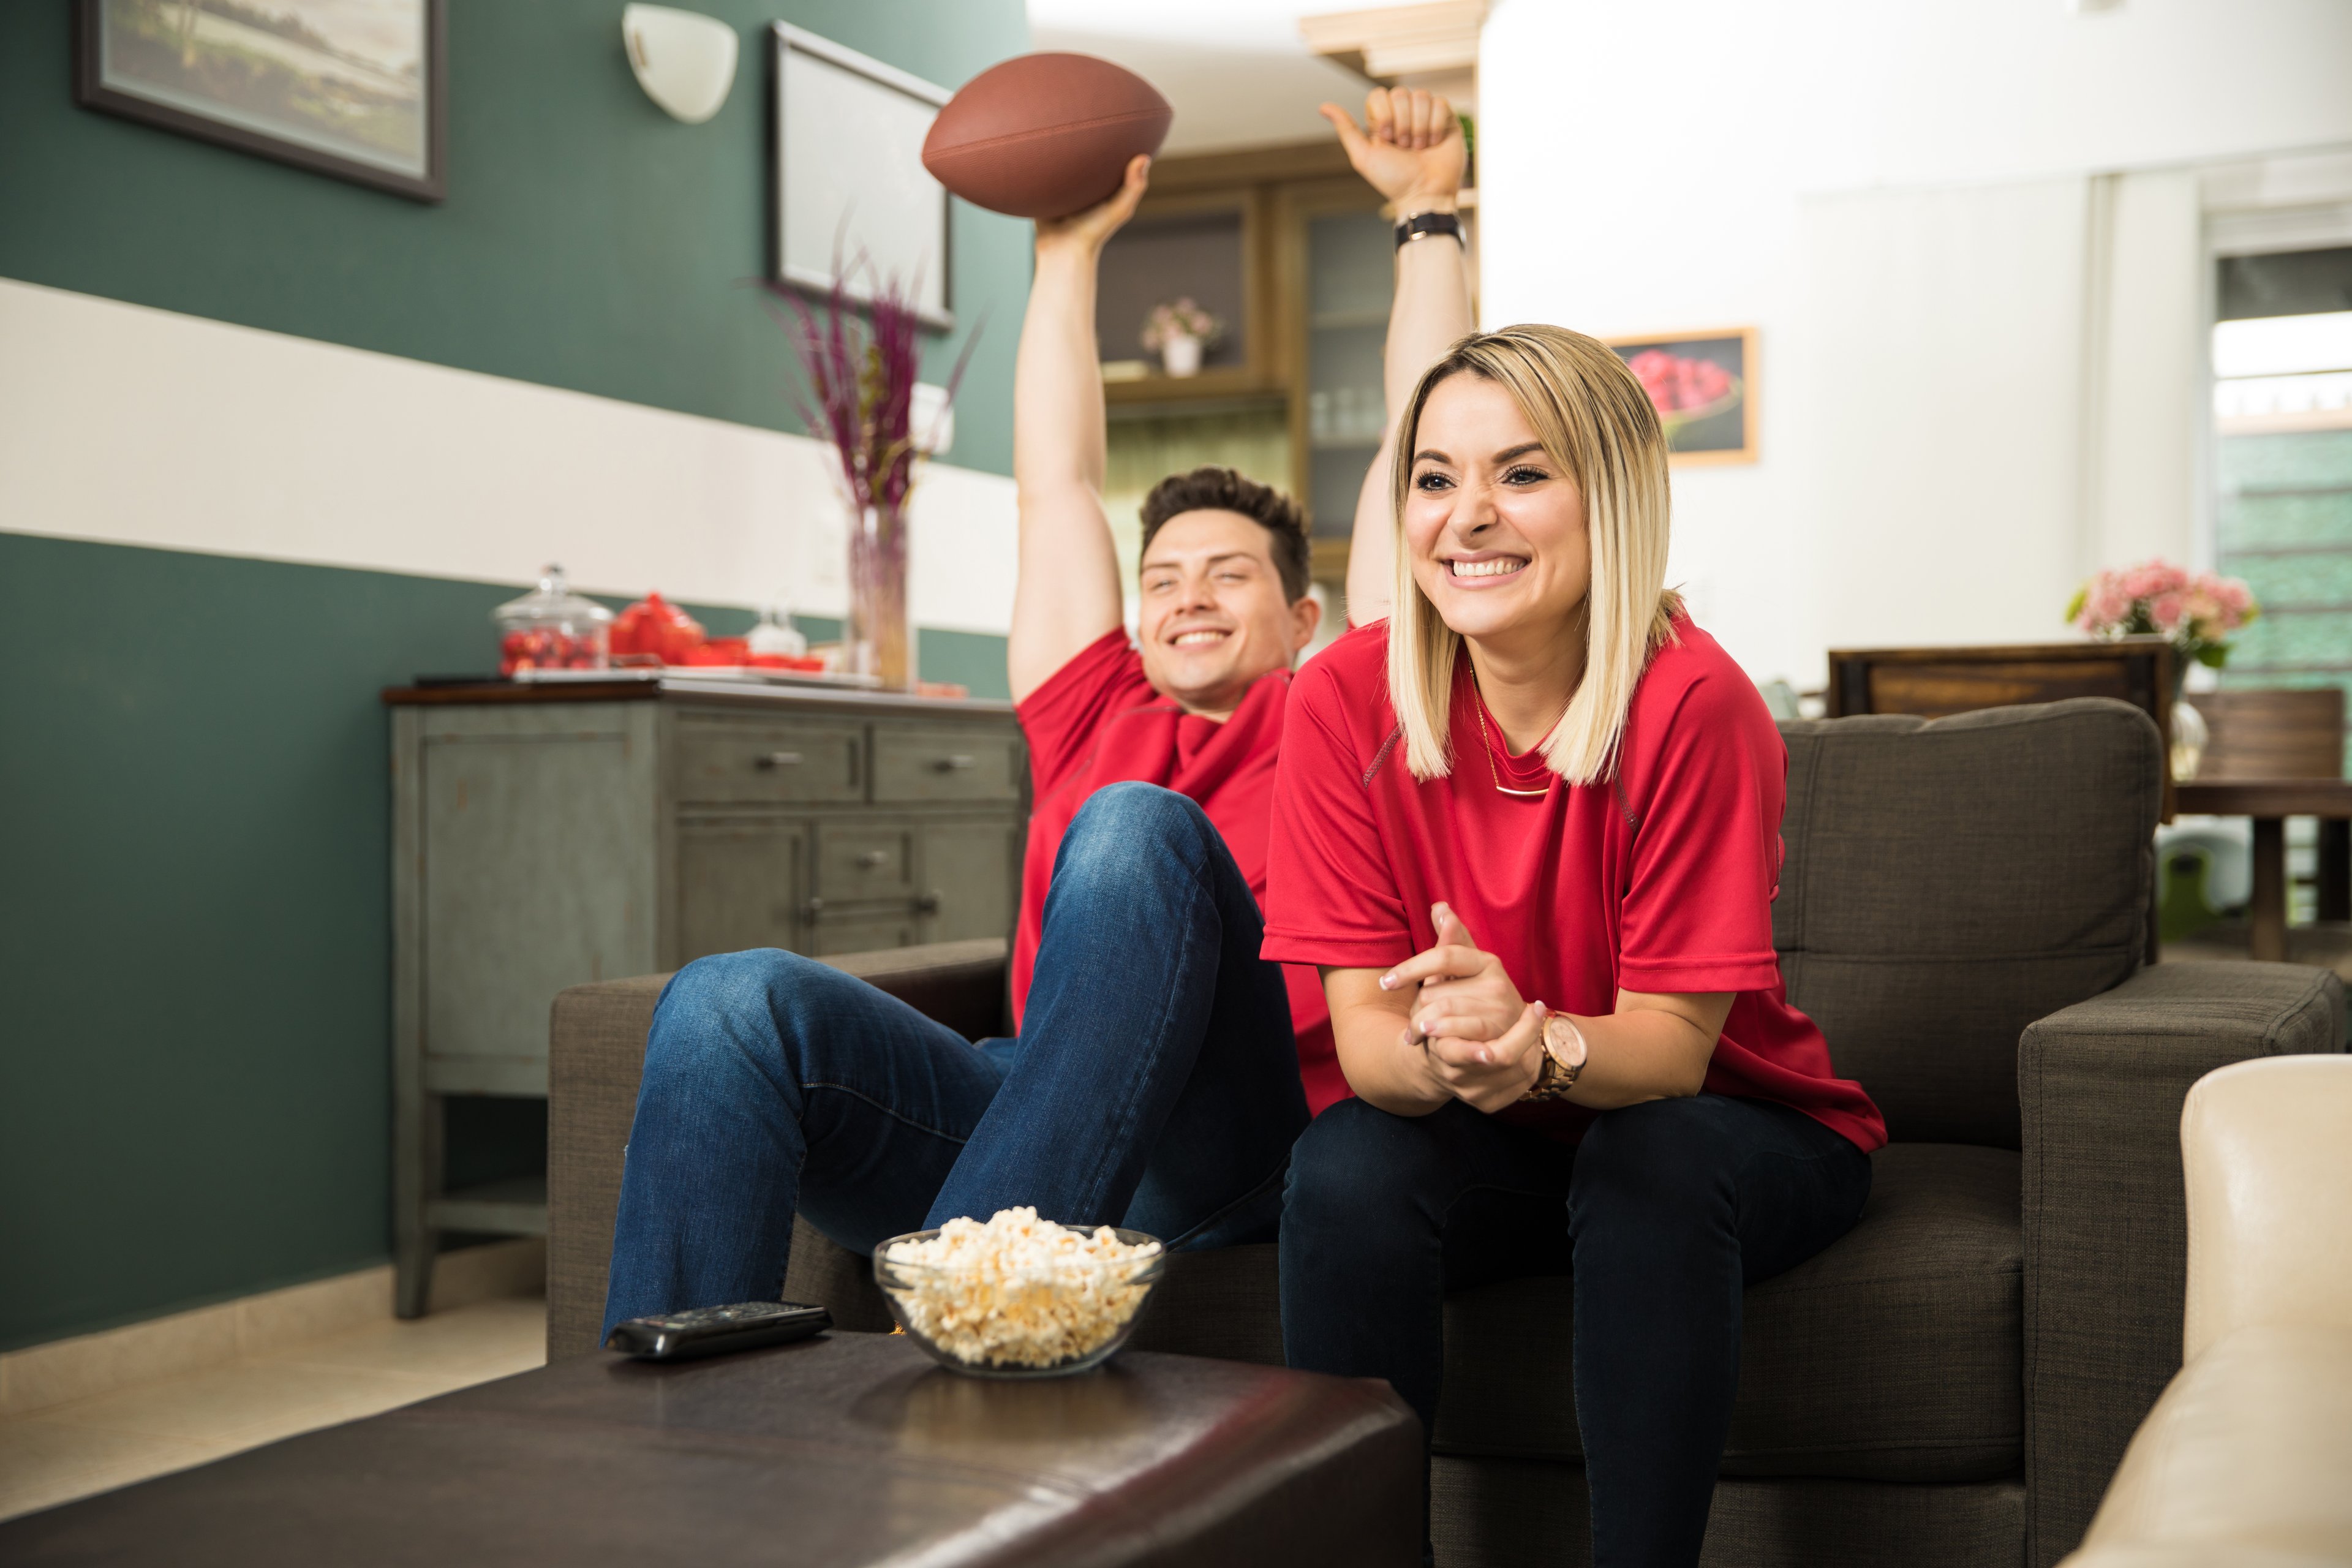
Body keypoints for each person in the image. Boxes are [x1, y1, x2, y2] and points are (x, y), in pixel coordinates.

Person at [599, 89, 1477, 1335]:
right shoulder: (1091, 706)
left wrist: (1426, 209)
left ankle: (965, 1306)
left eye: (1230, 575)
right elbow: (1054, 485)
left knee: (1136, 830)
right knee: (727, 999)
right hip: (1038, 1106)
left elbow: (1424, 435)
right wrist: (1064, 254)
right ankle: (663, 1456)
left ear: (1308, 617)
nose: (1187, 599)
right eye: (1161, 579)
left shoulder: (1347, 704)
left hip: (1236, 1137)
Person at [1261, 325, 1887, 1566]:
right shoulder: (1341, 698)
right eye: (1435, 478)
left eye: (1523, 473)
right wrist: (1449, 1049)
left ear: (1612, 497)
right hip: (1503, 1140)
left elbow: (1665, 1054)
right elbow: (1365, 1039)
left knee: (1646, 1158)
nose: (1467, 516)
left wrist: (1532, 1039)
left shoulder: (1695, 702)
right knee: (1346, 1165)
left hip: (1727, 1125)